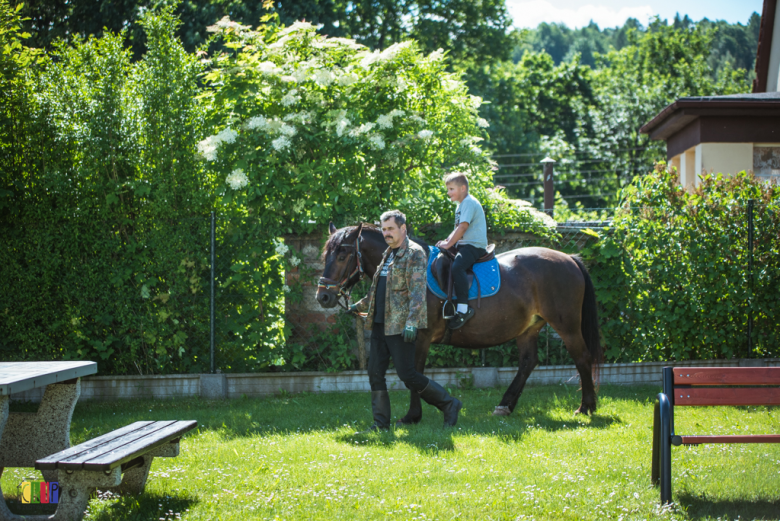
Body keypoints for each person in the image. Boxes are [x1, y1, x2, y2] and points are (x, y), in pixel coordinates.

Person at [349, 210, 462, 432]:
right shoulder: (388, 254)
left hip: (400, 325)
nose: (386, 233)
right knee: (375, 373)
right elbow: (376, 289)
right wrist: (359, 305)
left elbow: (418, 292)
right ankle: (381, 424)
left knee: (408, 375)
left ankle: (449, 404)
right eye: (383, 229)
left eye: (390, 228)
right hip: (380, 323)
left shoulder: (414, 253)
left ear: (403, 228)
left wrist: (412, 322)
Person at [436, 171, 488, 330]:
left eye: (451, 189)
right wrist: (447, 241)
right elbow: (458, 228)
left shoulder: (468, 203)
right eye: (448, 189)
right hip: (464, 244)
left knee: (457, 266)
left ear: (463, 188)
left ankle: (463, 309)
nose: (448, 192)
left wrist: (449, 243)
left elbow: (463, 227)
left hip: (474, 246)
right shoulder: (461, 205)